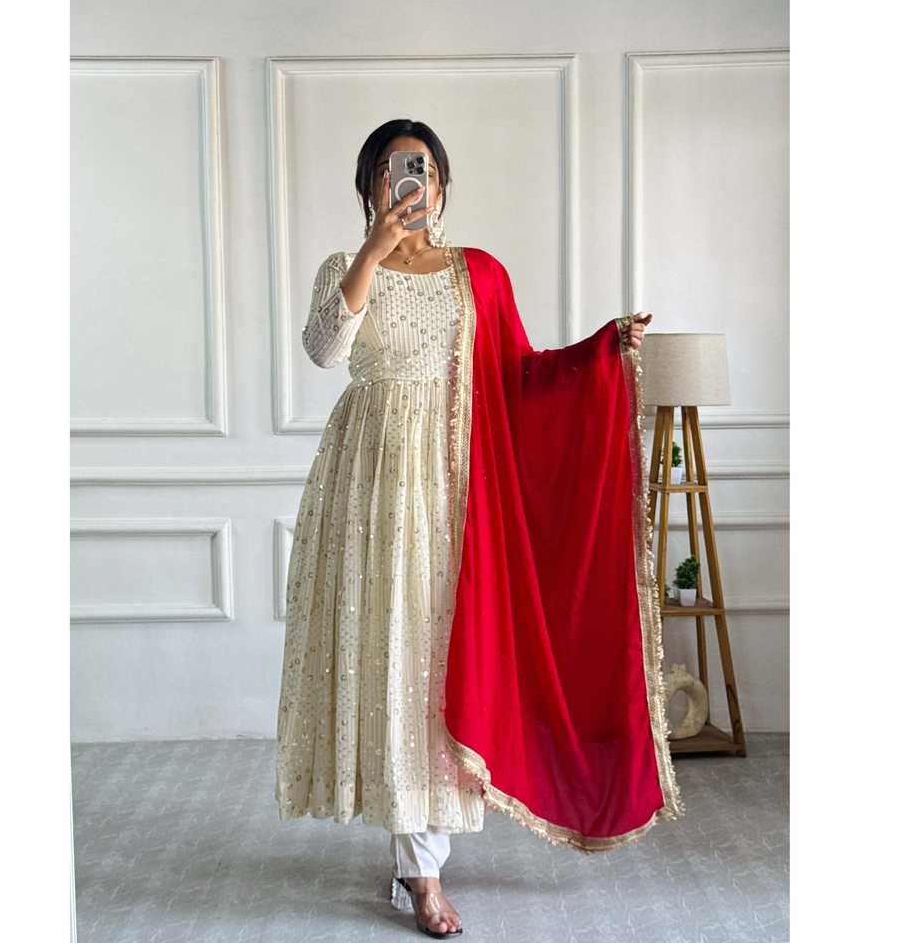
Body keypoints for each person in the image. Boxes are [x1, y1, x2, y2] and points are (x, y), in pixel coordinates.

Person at [276, 119, 678, 939]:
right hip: (369, 491)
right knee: (390, 664)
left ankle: (421, 859)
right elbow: (322, 348)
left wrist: (599, 351)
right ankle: (418, 867)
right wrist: (372, 252)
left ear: (443, 185)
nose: (411, 183)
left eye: (423, 170)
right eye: (395, 170)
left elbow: (522, 377)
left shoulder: (478, 274)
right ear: (371, 185)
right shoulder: (345, 266)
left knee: (436, 668)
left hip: (457, 495)